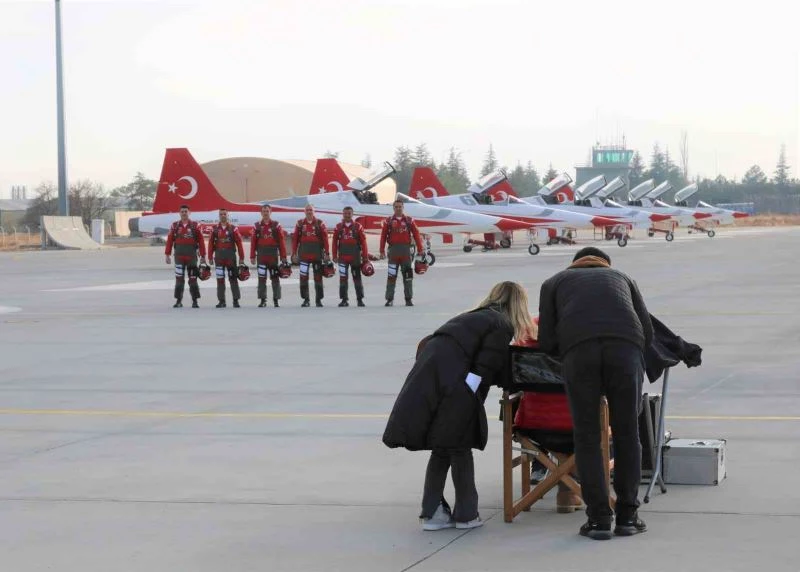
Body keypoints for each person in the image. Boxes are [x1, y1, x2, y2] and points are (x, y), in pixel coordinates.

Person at [382, 281, 535, 531]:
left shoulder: (471, 318)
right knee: (460, 447)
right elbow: (481, 370)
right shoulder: (501, 325)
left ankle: (432, 513)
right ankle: (466, 514)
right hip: (456, 386)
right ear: (518, 305)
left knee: (442, 448)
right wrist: (468, 399)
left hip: (429, 380)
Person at [537, 246, 653, 540]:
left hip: (580, 354)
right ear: (605, 264)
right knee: (628, 434)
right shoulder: (623, 278)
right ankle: (628, 516)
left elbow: (546, 340)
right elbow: (648, 331)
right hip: (626, 352)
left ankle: (599, 519)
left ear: (574, 264)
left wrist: (573, 356)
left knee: (587, 438)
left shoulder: (553, 282)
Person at [379, 199, 424, 307]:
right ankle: (389, 299)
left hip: (406, 252)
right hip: (393, 251)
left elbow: (416, 235)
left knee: (408, 276)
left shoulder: (409, 220)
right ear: (393, 208)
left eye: (400, 206)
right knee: (391, 276)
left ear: (403, 207)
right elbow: (383, 236)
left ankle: (408, 299)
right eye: (396, 207)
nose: (398, 208)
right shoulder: (388, 221)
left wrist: (420, 249)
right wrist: (381, 251)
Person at [164, 204, 207, 308]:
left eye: (186, 211)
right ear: (179, 213)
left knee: (193, 279)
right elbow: (169, 240)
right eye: (182, 211)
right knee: (179, 280)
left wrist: (203, 255)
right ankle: (178, 301)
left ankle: (195, 301)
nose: (184, 213)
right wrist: (167, 254)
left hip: (192, 257)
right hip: (179, 257)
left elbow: (201, 241)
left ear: (189, 213)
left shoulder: (196, 226)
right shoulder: (174, 226)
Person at [250, 204, 288, 308]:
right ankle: (263, 300)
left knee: (275, 278)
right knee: (261, 278)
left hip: (273, 255)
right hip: (261, 255)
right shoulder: (257, 226)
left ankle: (276, 300)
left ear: (270, 212)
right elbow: (253, 242)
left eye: (267, 211)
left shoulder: (276, 225)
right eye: (264, 211)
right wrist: (252, 256)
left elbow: (281, 242)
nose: (265, 213)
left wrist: (283, 256)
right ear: (261, 213)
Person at [292, 204, 330, 307]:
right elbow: (295, 239)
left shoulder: (320, 223)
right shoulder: (300, 223)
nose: (309, 212)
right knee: (303, 278)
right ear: (304, 211)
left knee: (318, 278)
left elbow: (325, 239)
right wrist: (294, 253)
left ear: (314, 211)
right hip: (303, 255)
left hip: (317, 255)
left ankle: (318, 300)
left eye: (311, 210)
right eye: (307, 210)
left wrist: (327, 253)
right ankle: (306, 300)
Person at [207, 208, 245, 308]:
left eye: (224, 214)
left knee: (233, 279)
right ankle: (221, 301)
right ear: (219, 216)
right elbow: (211, 243)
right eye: (221, 214)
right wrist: (210, 256)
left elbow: (239, 243)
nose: (223, 216)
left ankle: (236, 300)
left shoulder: (233, 228)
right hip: (219, 258)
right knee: (220, 280)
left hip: (230, 258)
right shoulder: (215, 229)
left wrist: (242, 257)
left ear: (228, 216)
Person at [331, 206, 369, 307]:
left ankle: (360, 300)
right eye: (345, 213)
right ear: (343, 214)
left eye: (349, 213)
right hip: (343, 257)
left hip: (355, 257)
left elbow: (364, 243)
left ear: (352, 214)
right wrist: (334, 255)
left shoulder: (358, 226)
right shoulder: (338, 227)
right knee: (343, 278)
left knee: (357, 278)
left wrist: (365, 257)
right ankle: (344, 300)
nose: (347, 215)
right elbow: (334, 242)